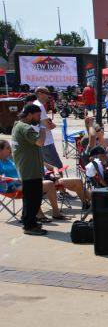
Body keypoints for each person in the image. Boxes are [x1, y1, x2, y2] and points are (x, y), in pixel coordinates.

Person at [11, 104, 48, 235]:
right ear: (30, 114)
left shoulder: (18, 126)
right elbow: (39, 142)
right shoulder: (26, 128)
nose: (38, 119)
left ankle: (29, 221)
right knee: (33, 199)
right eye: (37, 116)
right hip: (30, 170)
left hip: (28, 169)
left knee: (31, 198)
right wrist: (43, 130)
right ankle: (29, 226)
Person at [33, 87, 63, 169]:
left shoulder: (36, 104)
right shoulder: (39, 106)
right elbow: (47, 125)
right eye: (47, 93)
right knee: (57, 167)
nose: (48, 96)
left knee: (47, 168)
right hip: (46, 142)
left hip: (42, 141)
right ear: (39, 94)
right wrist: (52, 125)